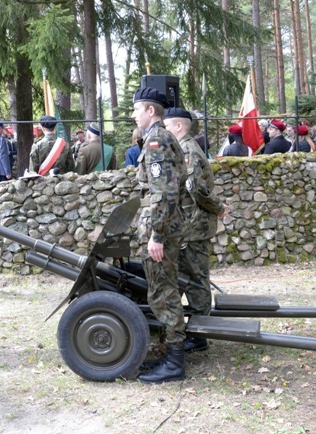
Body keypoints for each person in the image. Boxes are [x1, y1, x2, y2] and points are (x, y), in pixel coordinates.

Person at [131, 87, 188, 384]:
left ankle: (175, 363)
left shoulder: (156, 140)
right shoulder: (161, 138)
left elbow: (164, 193)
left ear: (151, 110)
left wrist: (157, 235)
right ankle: (170, 353)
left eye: (137, 109)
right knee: (164, 289)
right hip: (165, 224)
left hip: (162, 228)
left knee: (163, 293)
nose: (133, 114)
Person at [163, 107, 227, 353]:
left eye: (167, 127)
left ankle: (200, 335)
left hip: (193, 226)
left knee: (197, 280)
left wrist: (219, 207)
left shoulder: (187, 150)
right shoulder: (184, 148)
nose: (164, 132)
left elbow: (195, 188)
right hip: (190, 225)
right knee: (189, 277)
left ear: (179, 127)